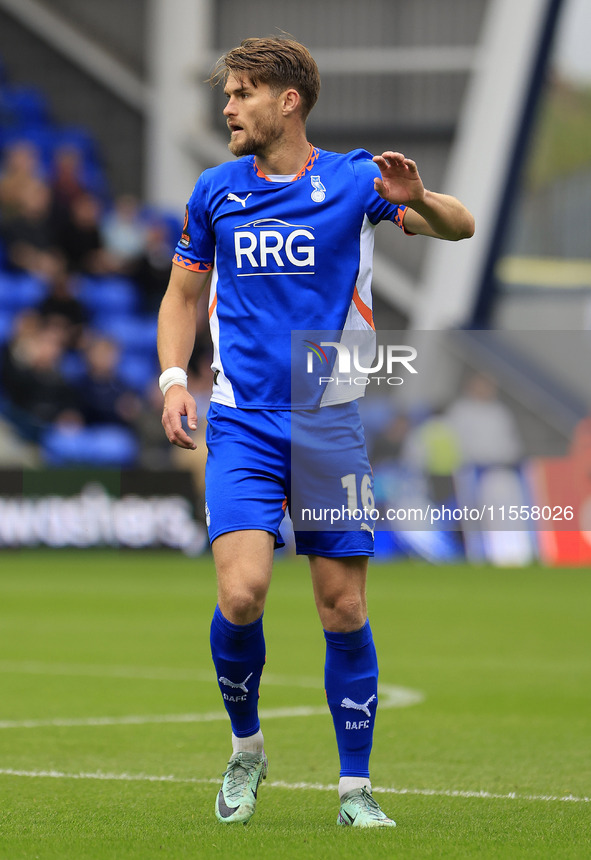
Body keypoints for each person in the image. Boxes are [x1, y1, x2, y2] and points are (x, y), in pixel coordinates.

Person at [157, 36, 474, 829]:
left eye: (240, 94)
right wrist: (170, 379)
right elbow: (182, 299)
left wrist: (422, 197)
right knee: (241, 594)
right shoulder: (215, 191)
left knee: (343, 610)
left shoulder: (354, 179)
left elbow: (460, 227)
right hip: (243, 424)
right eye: (227, 94)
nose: (227, 107)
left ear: (286, 100)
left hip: (329, 425)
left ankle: (354, 790)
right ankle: (246, 750)